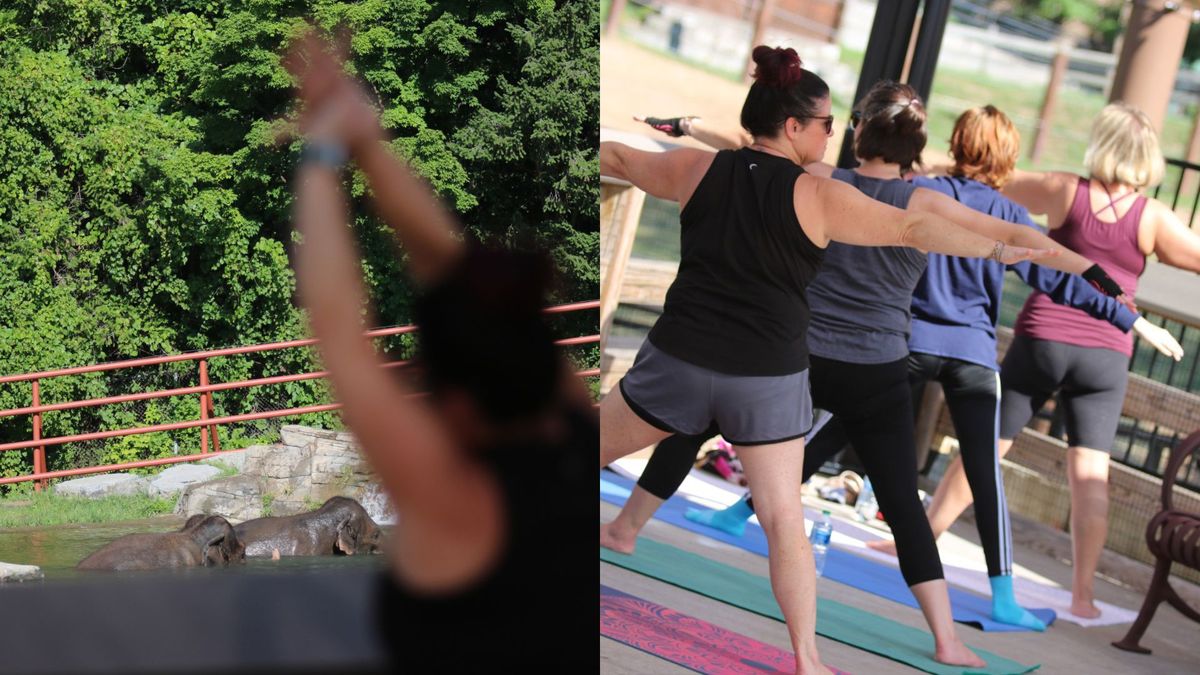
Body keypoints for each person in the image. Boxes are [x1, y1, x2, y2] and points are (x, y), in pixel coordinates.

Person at [603, 83, 1171, 640]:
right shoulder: (908, 197)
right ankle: (946, 638)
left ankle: (628, 527)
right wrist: (1087, 270)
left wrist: (686, 127)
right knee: (897, 497)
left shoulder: (821, 178)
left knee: (690, 420)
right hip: (869, 368)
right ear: (914, 147)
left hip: (796, 356)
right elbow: (1005, 231)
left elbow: (751, 147)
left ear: (857, 134)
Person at [283, 31, 595, 670]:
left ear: (453, 404)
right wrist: (365, 143)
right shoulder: (576, 422)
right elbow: (455, 268)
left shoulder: (455, 494)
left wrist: (324, 149)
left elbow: (339, 328)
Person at [913, 101, 1200, 619]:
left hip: (1043, 340)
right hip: (1106, 354)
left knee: (984, 448)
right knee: (1090, 476)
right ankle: (1084, 595)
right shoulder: (1153, 217)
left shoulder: (1064, 190)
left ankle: (916, 542)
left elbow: (987, 181)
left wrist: (930, 170)